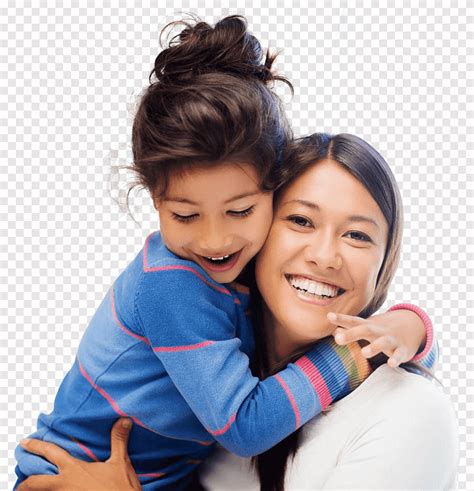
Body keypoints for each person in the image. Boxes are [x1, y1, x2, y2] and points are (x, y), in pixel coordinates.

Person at [14, 16, 439, 491]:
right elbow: (246, 427)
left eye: (239, 211)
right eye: (185, 216)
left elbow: (397, 351)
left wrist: (409, 327)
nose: (214, 242)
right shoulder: (172, 284)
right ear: (154, 201)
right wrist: (357, 355)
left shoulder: (241, 279)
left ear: (271, 192)